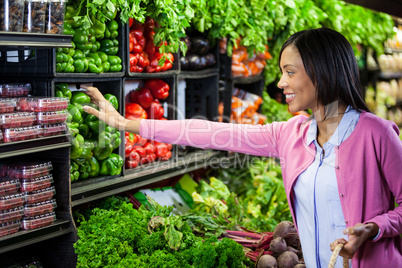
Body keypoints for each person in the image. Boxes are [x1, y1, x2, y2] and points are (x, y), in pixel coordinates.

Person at [81, 27, 402, 268]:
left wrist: (374, 228)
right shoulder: (292, 134)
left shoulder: (377, 134)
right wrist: (129, 124)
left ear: (322, 72)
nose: (280, 83)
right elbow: (211, 133)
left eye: (290, 72)